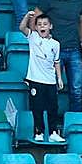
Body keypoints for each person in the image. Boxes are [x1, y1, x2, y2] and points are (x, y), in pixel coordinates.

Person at [20, 10, 64, 143]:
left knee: (53, 108)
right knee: (37, 108)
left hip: (50, 81)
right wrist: (28, 16)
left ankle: (53, 133)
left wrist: (59, 78)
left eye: (45, 24)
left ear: (50, 26)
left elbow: (56, 62)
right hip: (35, 80)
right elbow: (22, 27)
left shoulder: (56, 44)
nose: (42, 27)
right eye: (39, 24)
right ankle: (38, 132)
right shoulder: (33, 37)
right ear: (36, 27)